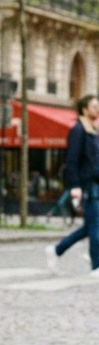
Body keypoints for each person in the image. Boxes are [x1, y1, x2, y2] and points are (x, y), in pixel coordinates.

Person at [45, 94, 99, 275]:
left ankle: (57, 250)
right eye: (94, 106)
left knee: (90, 227)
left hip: (95, 185)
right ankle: (96, 266)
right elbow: (72, 160)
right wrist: (75, 185)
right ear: (85, 109)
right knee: (94, 227)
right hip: (88, 187)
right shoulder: (78, 130)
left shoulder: (92, 130)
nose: (97, 109)